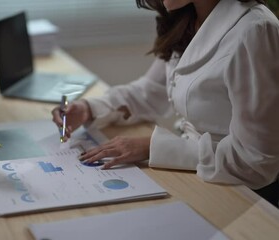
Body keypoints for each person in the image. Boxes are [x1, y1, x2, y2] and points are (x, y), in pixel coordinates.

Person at [52, 0, 279, 207]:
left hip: (244, 193)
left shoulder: (256, 30)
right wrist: (88, 108)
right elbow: (151, 91)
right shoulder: (188, 17)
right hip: (197, 175)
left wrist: (152, 147)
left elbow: (255, 161)